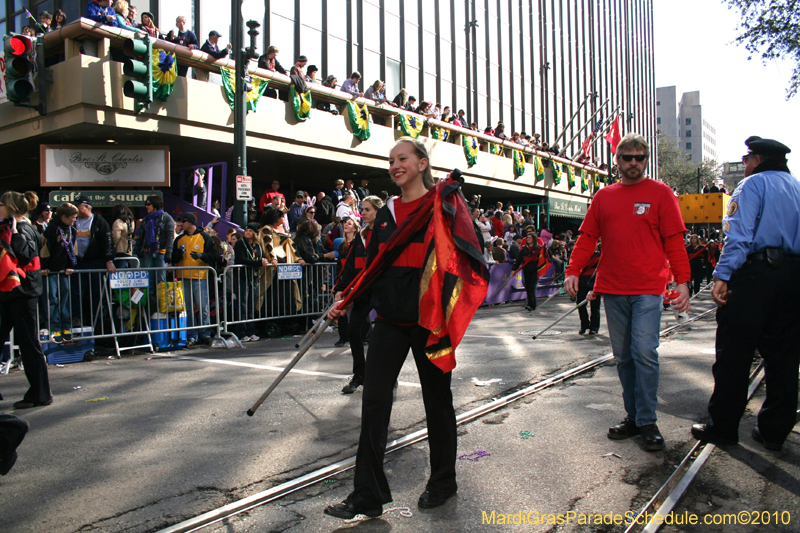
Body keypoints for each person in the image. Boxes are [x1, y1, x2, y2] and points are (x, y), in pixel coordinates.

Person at [324, 138, 486, 519]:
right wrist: (347, 302)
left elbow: (467, 253)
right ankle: (367, 494)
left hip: (429, 321)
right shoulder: (386, 214)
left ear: (422, 163)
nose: (395, 165)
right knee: (374, 401)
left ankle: (443, 481)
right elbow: (373, 270)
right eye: (391, 160)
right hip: (391, 321)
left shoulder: (443, 204)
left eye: (403, 159)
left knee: (437, 401)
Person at [564, 133, 691, 452]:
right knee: (624, 358)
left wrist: (683, 282)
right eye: (627, 157)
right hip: (613, 289)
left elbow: (675, 241)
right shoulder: (604, 196)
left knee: (644, 353)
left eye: (639, 157)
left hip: (649, 289)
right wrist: (572, 270)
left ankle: (647, 420)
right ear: (617, 161)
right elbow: (587, 237)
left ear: (646, 161)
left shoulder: (662, 194)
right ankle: (634, 417)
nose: (633, 162)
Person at [691, 137, 800, 452]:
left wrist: (722, 276)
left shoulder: (752, 187)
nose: (745, 163)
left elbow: (739, 236)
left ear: (758, 159)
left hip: (755, 278)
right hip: (793, 278)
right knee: (784, 358)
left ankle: (723, 427)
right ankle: (775, 432)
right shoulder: (795, 188)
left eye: (747, 158)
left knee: (734, 354)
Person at [0, 191, 52, 409]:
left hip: (22, 293)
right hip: (14, 293)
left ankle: (40, 393)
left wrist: (14, 234)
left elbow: (28, 255)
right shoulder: (17, 227)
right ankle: (39, 392)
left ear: (10, 207)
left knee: (29, 343)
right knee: (27, 342)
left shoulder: (22, 229)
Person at [333, 196, 384, 393]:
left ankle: (385, 374)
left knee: (383, 334)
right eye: (362, 209)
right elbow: (350, 268)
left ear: (378, 212)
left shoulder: (384, 234)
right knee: (353, 331)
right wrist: (340, 288)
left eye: (368, 209)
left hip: (381, 289)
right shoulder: (360, 237)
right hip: (362, 290)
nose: (363, 213)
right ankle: (359, 374)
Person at [172, 213, 216, 346]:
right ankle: (192, 335)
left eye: (183, 221)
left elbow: (214, 255)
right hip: (183, 277)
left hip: (200, 277)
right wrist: (177, 255)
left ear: (191, 222)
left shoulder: (204, 237)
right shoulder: (179, 239)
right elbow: (172, 258)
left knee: (203, 307)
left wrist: (202, 256)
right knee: (188, 308)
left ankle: (205, 333)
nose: (181, 224)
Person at [41, 203, 79, 342]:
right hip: (50, 270)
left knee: (64, 298)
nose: (74, 220)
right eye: (73, 217)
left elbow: (74, 249)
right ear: (64, 217)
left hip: (64, 270)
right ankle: (54, 327)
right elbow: (44, 248)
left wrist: (71, 265)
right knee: (52, 298)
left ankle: (66, 326)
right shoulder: (51, 229)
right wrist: (43, 266)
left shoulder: (72, 230)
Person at [133, 195, 174, 310]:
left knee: (161, 281)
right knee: (148, 282)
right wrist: (138, 251)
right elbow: (140, 238)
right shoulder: (146, 219)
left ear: (155, 204)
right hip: (147, 254)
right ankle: (149, 308)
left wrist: (169, 254)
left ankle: (162, 307)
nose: (146, 206)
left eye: (148, 204)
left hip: (160, 253)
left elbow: (170, 237)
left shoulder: (167, 218)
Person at [233, 223, 268, 342]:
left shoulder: (257, 245)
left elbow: (262, 255)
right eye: (246, 230)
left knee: (251, 305)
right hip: (243, 277)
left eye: (250, 231)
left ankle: (251, 330)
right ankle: (241, 332)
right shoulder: (240, 244)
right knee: (243, 304)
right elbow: (241, 259)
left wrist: (264, 260)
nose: (248, 232)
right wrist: (258, 263)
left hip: (253, 278)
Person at [513, 232, 547, 311]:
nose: (528, 239)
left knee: (532, 287)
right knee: (528, 287)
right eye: (527, 237)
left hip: (534, 271)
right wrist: (514, 269)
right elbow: (518, 260)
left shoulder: (538, 249)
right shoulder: (524, 249)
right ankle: (530, 303)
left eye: (530, 238)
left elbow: (544, 258)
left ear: (534, 239)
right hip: (526, 270)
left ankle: (532, 304)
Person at [577, 241, 602, 335]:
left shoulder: (599, 256)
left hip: (594, 281)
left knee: (595, 306)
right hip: (582, 280)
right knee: (580, 304)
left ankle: (594, 327)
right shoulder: (581, 256)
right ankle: (584, 324)